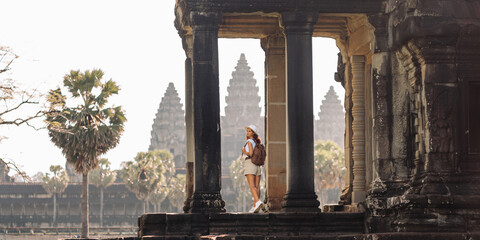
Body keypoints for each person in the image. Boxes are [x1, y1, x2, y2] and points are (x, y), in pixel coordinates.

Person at [241, 124, 263, 213]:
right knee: (257, 186)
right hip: (258, 165)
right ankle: (255, 206)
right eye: (247, 131)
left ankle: (257, 201)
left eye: (249, 131)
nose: (247, 132)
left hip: (250, 163)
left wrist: (244, 151)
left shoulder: (250, 141)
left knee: (252, 185)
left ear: (253, 133)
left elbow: (250, 153)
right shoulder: (257, 142)